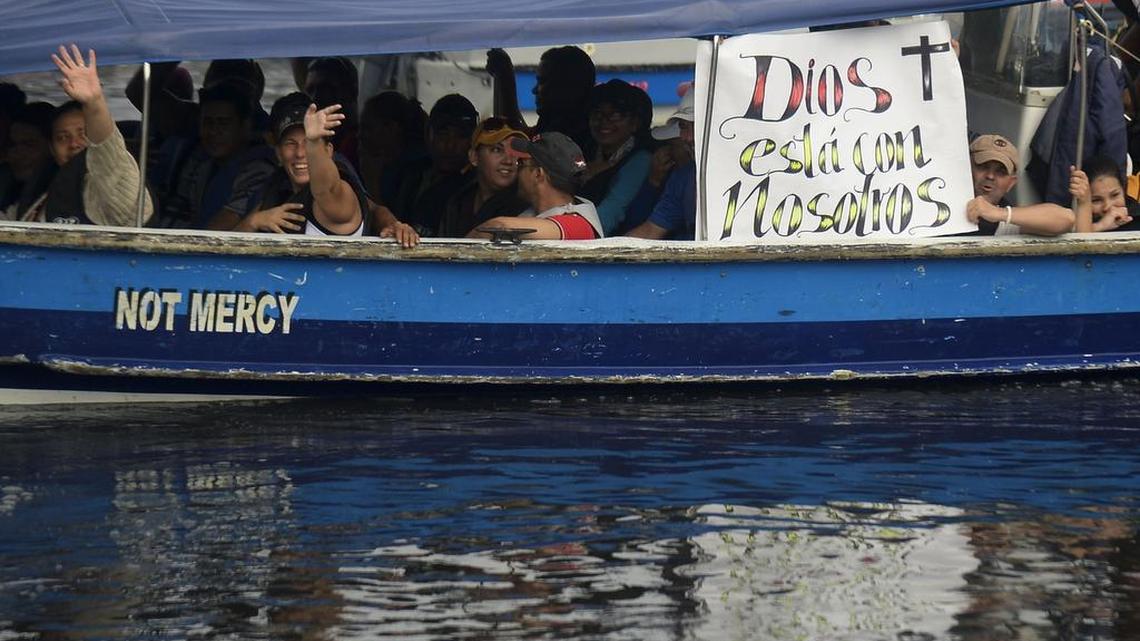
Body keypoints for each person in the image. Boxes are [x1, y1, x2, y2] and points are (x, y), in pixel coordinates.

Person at [34, 45, 154, 226]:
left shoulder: (108, 187)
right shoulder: (41, 192)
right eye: (62, 137)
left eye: (83, 133)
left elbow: (107, 154)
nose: (74, 143)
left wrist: (94, 103)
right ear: (51, 149)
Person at [235, 92, 363, 236]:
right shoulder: (277, 190)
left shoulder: (340, 194)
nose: (300, 153)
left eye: (307, 143)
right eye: (291, 143)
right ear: (278, 153)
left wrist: (314, 142)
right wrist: (253, 221)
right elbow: (226, 248)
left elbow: (325, 190)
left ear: (328, 151)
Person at [159, 81, 273, 229]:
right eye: (208, 123)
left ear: (245, 126)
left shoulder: (259, 169)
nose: (213, 131)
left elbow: (226, 221)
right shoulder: (200, 164)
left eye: (223, 123)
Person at [469, 132, 603, 240]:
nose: (517, 172)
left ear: (538, 174)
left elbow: (500, 226)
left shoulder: (580, 223)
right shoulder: (531, 213)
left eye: (521, 164)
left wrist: (465, 244)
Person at [578, 80, 654, 235]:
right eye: (597, 114)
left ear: (635, 123)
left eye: (615, 115)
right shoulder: (587, 151)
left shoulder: (641, 160)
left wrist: (564, 232)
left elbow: (608, 218)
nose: (604, 121)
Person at [395, 94, 478, 236]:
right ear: (428, 134)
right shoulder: (411, 175)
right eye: (443, 134)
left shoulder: (475, 186)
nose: (450, 145)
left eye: (461, 136)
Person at [486, 46, 595, 151]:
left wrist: (505, 77)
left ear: (567, 86)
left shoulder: (575, 135)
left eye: (542, 81)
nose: (534, 90)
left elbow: (521, 142)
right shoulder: (552, 122)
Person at [963, 134, 1073, 236]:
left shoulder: (1005, 221)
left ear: (1011, 183)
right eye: (983, 166)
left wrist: (998, 213)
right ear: (967, 167)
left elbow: (1067, 219)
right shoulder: (946, 198)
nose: (990, 176)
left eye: (1001, 172)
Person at [437, 117, 529, 237]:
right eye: (497, 150)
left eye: (515, 152)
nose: (508, 160)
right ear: (474, 157)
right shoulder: (458, 202)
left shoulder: (525, 206)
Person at [626, 90, 697, 240]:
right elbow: (651, 230)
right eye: (683, 127)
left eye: (697, 125)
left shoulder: (749, 172)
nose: (688, 138)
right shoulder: (683, 178)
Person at [358, 91, 428, 208]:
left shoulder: (415, 174)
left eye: (368, 128)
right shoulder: (386, 163)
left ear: (392, 128)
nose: (360, 135)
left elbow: (395, 223)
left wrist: (372, 181)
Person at [0, 102, 56, 221]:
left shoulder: (63, 194)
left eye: (29, 145)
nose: (17, 154)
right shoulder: (7, 183)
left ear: (53, 147)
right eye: (12, 145)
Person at [1070, 155, 1140, 232]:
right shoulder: (1070, 221)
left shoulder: (1137, 220)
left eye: (1115, 195)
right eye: (1096, 200)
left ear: (1123, 190)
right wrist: (1100, 226)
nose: (1107, 206)